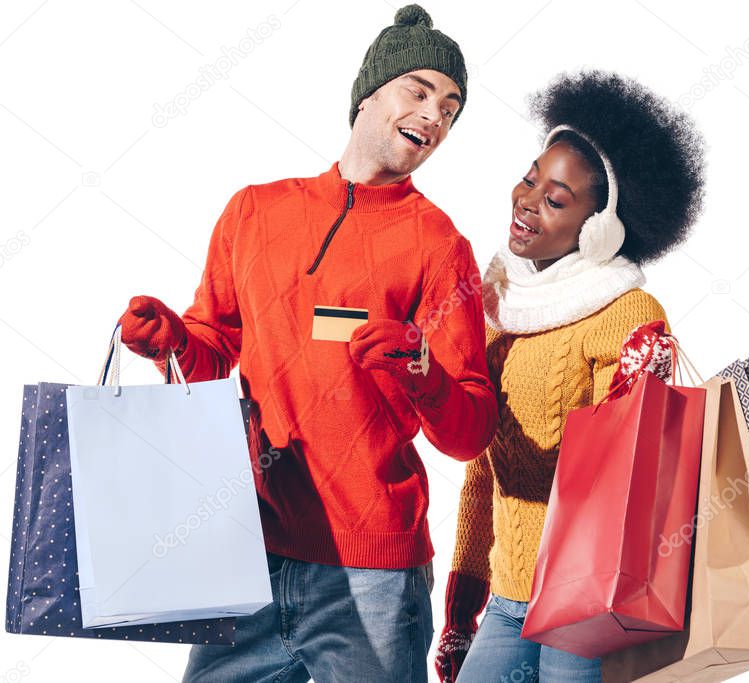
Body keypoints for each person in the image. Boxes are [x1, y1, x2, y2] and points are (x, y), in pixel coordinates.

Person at [118, 6, 498, 682]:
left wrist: (422, 369)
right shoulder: (255, 211)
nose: (435, 115)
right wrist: (169, 339)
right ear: (368, 92)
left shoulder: (440, 247)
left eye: (451, 107)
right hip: (246, 552)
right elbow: (211, 353)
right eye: (418, 90)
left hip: (373, 576)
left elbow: (470, 429)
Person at [434, 70, 706, 683]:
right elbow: (482, 475)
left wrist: (643, 370)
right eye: (530, 179)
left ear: (598, 229)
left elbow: (635, 469)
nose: (527, 201)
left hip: (587, 603)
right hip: (508, 600)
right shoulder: (502, 309)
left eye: (556, 199)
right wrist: (460, 610)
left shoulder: (627, 313)